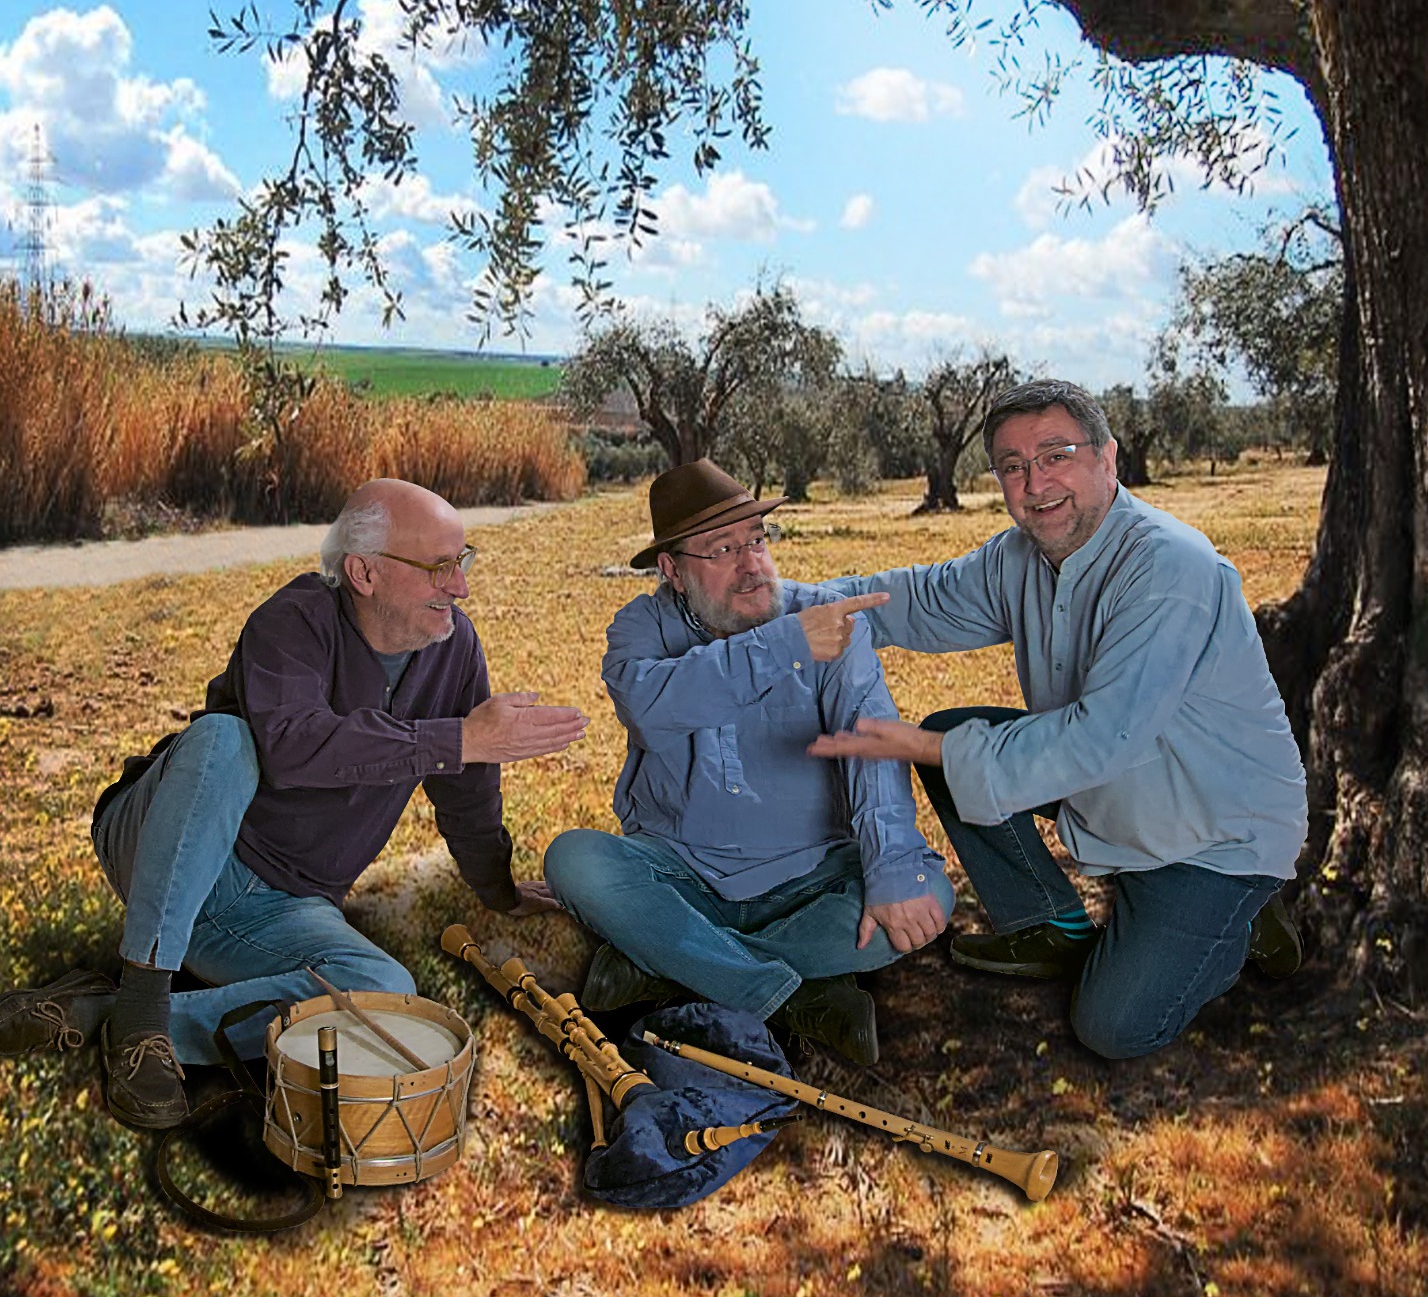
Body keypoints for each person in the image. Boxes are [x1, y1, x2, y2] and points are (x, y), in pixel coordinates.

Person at [0, 479, 587, 1128]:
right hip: (170, 850)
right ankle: (141, 1005)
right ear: (364, 572)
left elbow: (467, 789)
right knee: (223, 741)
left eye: (463, 560)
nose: (461, 586)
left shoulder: (453, 648)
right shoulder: (293, 620)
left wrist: (498, 888)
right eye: (439, 566)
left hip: (282, 908)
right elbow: (293, 746)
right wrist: (459, 737)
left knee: (385, 990)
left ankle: (108, 1017)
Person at [809, 379, 1308, 1060]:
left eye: (1055, 456)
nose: (1034, 483)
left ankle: (1245, 920)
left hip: (1216, 835)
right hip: (1122, 790)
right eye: (1012, 466)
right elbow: (921, 601)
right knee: (957, 733)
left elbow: (1100, 740)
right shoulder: (1020, 557)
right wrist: (788, 605)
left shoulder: (1170, 569)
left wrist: (925, 748)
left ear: (1107, 457)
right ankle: (1049, 924)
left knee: (1113, 1027)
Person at [543, 459, 953, 1066]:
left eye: (757, 539)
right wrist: (786, 644)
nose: (751, 562)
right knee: (574, 860)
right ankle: (790, 996)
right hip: (683, 874)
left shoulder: (831, 620)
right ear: (672, 570)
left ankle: (669, 960)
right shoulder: (639, 628)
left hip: (811, 875)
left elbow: (872, 748)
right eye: (722, 549)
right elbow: (652, 709)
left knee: (927, 894)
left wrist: (892, 872)